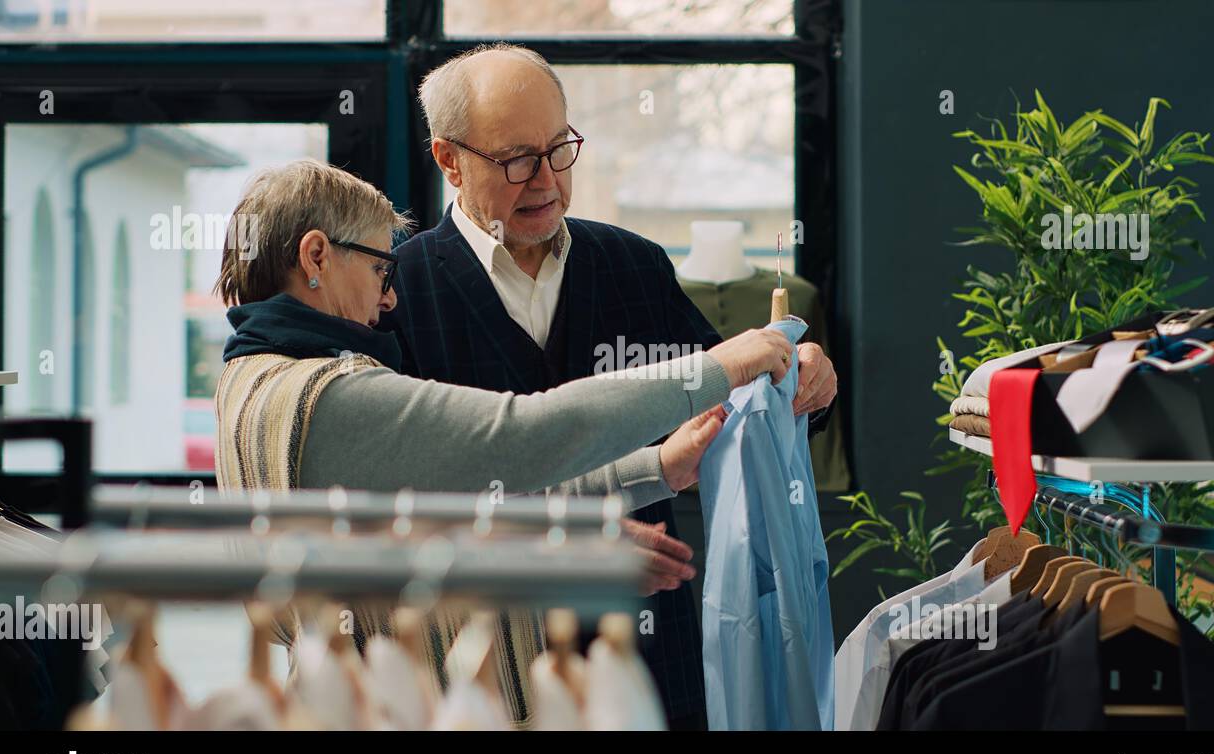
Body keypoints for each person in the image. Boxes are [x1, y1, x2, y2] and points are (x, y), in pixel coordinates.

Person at [211, 158, 794, 724]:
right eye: (378, 271)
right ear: (317, 256)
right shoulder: (330, 396)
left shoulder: (248, 378)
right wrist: (716, 367)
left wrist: (656, 468)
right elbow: (525, 433)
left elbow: (464, 502)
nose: (388, 299)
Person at [382, 43, 839, 728]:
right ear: (448, 159)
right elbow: (396, 506)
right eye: (516, 159)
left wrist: (800, 384)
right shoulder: (398, 295)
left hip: (650, 661)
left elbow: (727, 409)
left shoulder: (634, 266)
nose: (546, 180)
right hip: (480, 673)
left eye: (559, 148)